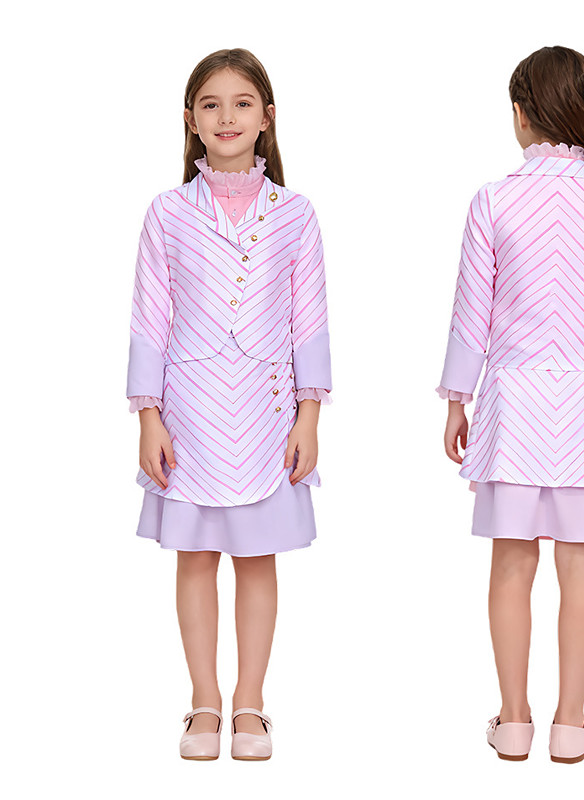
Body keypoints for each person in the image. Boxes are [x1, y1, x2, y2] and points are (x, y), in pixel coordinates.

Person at [435, 45, 584, 764]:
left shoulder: (493, 200)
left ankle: (512, 721)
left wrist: (456, 400)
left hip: (512, 408)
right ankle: (569, 724)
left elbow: (471, 313)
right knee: (582, 566)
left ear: (522, 114)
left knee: (511, 563)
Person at [126, 48, 333, 761]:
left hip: (268, 411)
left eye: (242, 103)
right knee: (193, 556)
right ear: (190, 120)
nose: (226, 117)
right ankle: (204, 703)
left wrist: (310, 414)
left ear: (267, 118)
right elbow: (150, 319)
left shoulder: (295, 215)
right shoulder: (167, 214)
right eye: (210, 104)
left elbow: (309, 320)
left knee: (255, 557)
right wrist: (148, 414)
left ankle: (250, 703)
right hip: (188, 410)